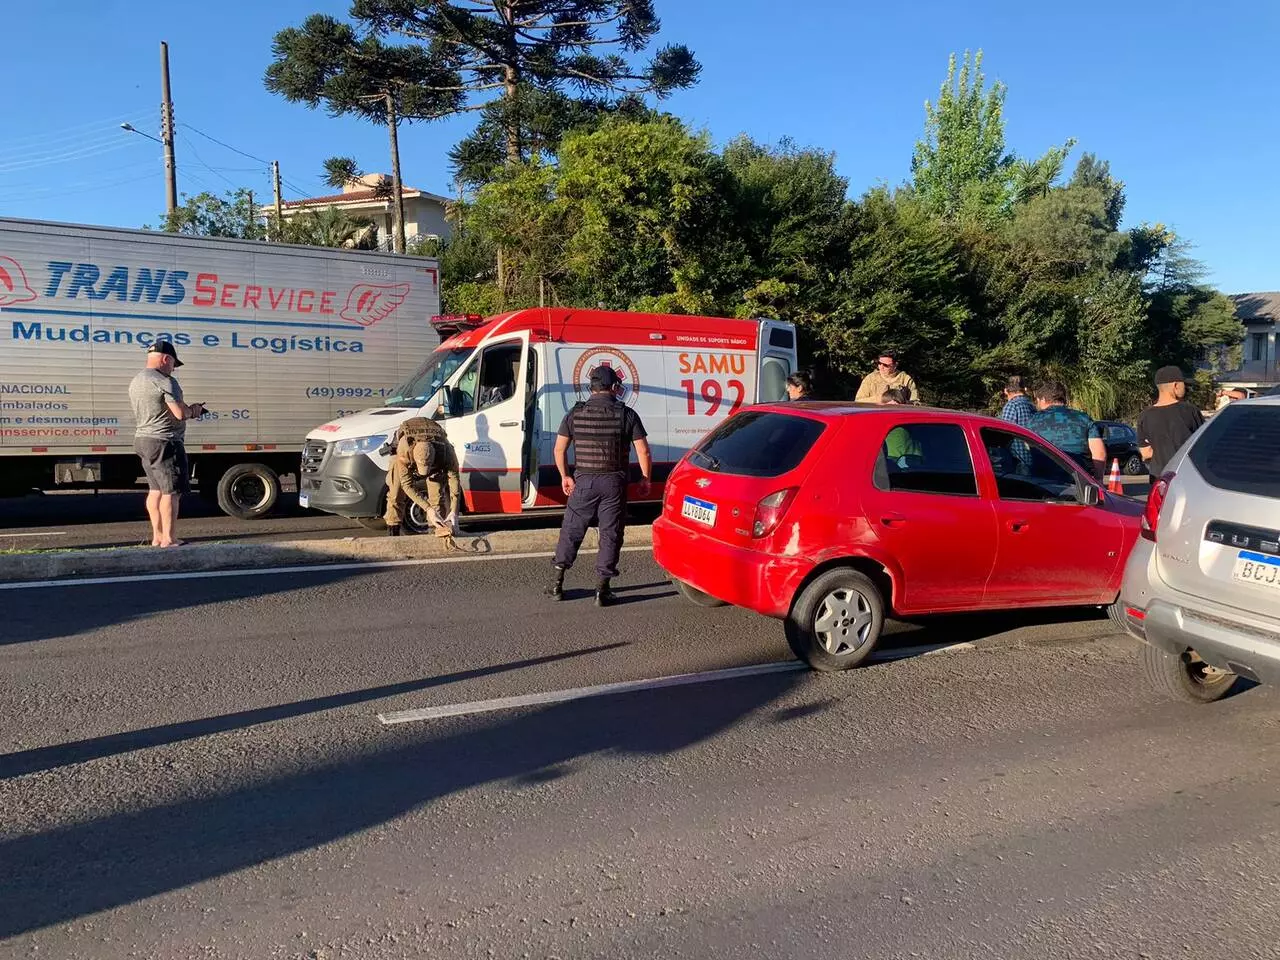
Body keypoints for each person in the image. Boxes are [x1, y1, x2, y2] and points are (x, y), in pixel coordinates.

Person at [546, 366, 652, 606]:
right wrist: (645, 478)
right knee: (610, 533)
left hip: (583, 481)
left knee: (572, 530)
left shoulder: (575, 413)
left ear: (590, 388)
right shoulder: (627, 414)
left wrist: (565, 476)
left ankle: (556, 584)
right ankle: (602, 591)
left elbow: (559, 449)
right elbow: (643, 450)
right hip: (614, 483)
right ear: (614, 387)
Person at [129, 341, 204, 548]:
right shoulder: (165, 381)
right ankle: (170, 539)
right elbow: (179, 413)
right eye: (173, 364)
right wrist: (194, 411)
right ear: (166, 359)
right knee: (171, 492)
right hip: (165, 441)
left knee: (155, 491)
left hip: (143, 440)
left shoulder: (137, 380)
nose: (173, 368)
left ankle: (157, 537)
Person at [383, 417, 461, 538]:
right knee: (395, 494)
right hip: (403, 454)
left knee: (438, 498)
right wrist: (428, 508)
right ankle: (393, 533)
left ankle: (437, 529)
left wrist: (454, 511)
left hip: (436, 459)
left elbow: (454, 481)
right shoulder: (404, 450)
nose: (423, 473)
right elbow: (407, 485)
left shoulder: (446, 452)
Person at [1028, 380, 1107, 481]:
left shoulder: (1032, 421)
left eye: (1037, 400)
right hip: (1077, 485)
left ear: (1043, 399)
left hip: (1042, 485)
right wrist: (1098, 480)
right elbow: (1099, 453)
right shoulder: (1083, 419)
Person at [1137, 365, 1204, 480]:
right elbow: (1203, 444)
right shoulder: (1190, 411)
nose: (1185, 387)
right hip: (1188, 477)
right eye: (1184, 384)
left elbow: (1146, 453)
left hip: (1159, 480)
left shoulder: (1144, 416)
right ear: (1175, 385)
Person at [880, 387, 921, 460]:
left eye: (896, 406)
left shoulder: (910, 424)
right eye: (889, 406)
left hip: (908, 462)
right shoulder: (878, 424)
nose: (892, 410)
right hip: (888, 462)